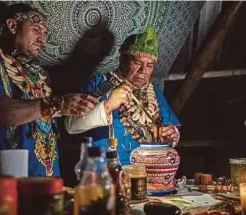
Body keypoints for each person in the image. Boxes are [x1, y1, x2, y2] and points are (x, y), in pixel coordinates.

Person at [0, 3, 98, 177]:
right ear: (13, 26)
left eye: (44, 33)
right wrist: (54, 105)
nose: (42, 38)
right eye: (36, 29)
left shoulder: (40, 74)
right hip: (5, 184)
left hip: (47, 180)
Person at [65, 26, 181, 165]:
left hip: (146, 175)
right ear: (122, 60)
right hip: (105, 174)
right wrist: (106, 106)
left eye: (149, 65)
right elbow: (70, 126)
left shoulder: (155, 93)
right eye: (137, 63)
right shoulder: (99, 84)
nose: (142, 71)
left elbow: (169, 130)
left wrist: (171, 135)